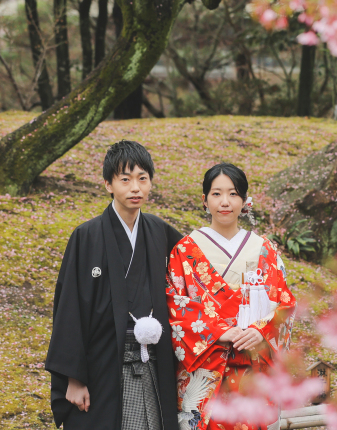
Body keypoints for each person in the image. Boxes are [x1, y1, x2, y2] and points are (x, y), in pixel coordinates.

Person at [46, 140, 183, 430]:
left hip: (153, 363)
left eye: (142, 179)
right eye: (125, 179)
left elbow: (193, 281)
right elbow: (69, 308)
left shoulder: (160, 232)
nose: (135, 188)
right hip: (103, 367)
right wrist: (73, 378)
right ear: (108, 184)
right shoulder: (86, 237)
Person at [166, 163, 296, 430]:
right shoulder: (184, 250)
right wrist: (217, 331)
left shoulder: (264, 249)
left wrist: (261, 331)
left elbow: (284, 302)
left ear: (245, 201)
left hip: (254, 368)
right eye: (216, 194)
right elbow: (174, 305)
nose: (225, 202)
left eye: (233, 194)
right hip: (205, 369)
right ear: (204, 200)